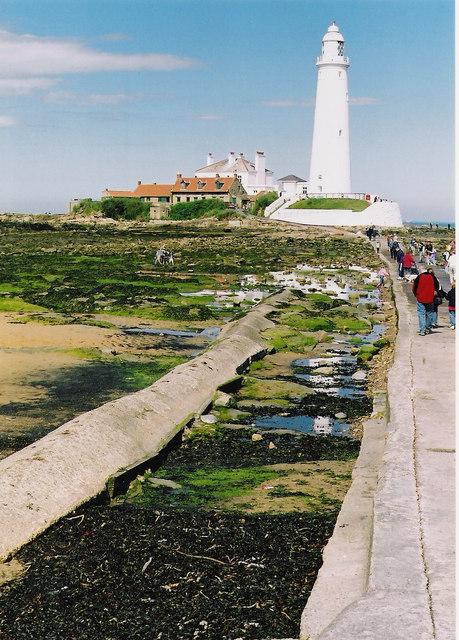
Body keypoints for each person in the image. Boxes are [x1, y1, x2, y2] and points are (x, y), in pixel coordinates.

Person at [412, 266, 436, 335]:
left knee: (421, 314)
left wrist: (416, 295)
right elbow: (437, 286)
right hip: (430, 298)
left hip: (420, 298)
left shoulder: (419, 277)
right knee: (429, 313)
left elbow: (414, 287)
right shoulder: (432, 277)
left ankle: (422, 330)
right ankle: (427, 328)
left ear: (421, 270)